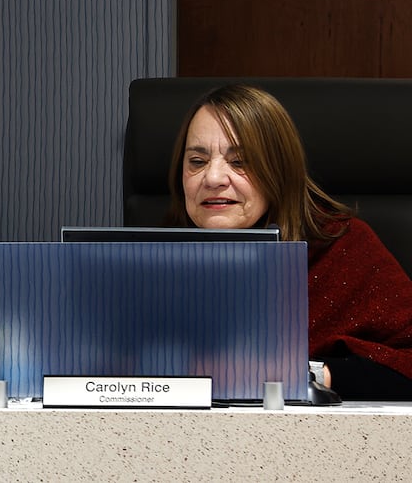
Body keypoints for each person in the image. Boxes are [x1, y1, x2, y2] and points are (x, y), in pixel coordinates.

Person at [166, 84, 412, 399]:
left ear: (279, 171)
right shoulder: (159, 257)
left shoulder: (342, 247)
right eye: (197, 162)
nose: (212, 178)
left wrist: (304, 374)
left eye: (240, 162)